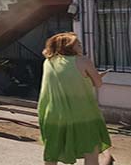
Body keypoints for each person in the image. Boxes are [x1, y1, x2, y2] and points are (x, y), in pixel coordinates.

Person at [38, 32, 112, 165]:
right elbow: (98, 84)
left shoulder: (48, 62)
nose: (81, 46)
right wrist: (97, 76)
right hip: (82, 114)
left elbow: (63, 80)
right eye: (77, 44)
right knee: (91, 149)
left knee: (52, 151)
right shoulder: (83, 60)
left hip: (54, 114)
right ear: (69, 47)